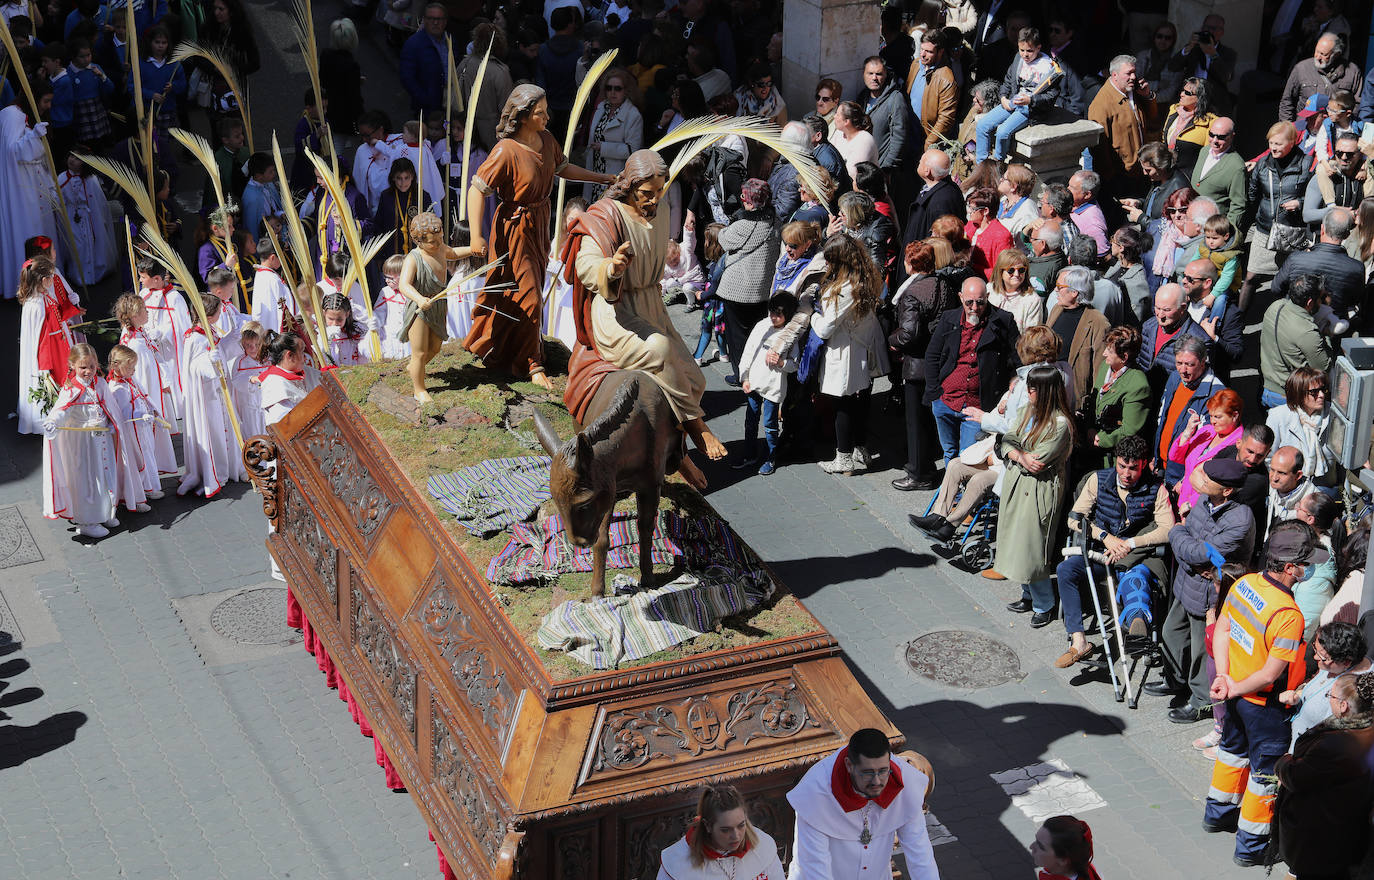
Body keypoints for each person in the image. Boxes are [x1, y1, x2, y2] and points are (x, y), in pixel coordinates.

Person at [563, 149, 727, 472]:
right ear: (629, 187)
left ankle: (674, 455)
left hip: (652, 306)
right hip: (616, 311)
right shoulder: (604, 215)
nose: (654, 201)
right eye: (646, 194)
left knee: (694, 376)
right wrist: (611, 268)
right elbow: (585, 264)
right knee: (660, 349)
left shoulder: (662, 209)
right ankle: (697, 428)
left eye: (660, 191)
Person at [465, 85, 614, 390]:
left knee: (529, 291)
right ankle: (532, 363)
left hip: (540, 222)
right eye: (539, 113)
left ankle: (507, 349)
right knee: (529, 296)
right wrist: (476, 235)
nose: (547, 117)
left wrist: (600, 178)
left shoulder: (546, 140)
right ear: (522, 116)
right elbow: (476, 189)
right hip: (514, 229)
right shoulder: (506, 150)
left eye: (546, 111)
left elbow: (561, 168)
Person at [1205, 520, 1320, 865]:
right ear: (1289, 568)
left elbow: (1223, 628)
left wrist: (1225, 680)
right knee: (1264, 775)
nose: (1308, 569)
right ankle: (1252, 848)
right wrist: (1235, 686)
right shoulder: (1289, 615)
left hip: (1236, 696)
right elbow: (1271, 673)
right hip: (1265, 705)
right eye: (1305, 563)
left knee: (1231, 753)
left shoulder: (1244, 583)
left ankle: (1218, 814)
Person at [911, 326, 1066, 543]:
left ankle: (950, 525)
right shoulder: (1032, 379)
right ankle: (938, 516)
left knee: (979, 480)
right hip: (1002, 447)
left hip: (1015, 458)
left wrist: (984, 418)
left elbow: (1018, 426)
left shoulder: (1039, 382)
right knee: (955, 465)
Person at [1148, 458, 1255, 724]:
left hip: (1209, 592)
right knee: (1170, 633)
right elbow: (1191, 546)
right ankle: (1174, 679)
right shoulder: (1205, 500)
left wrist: (1181, 538)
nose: (1201, 482)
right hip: (1187, 583)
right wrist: (1184, 543)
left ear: (1227, 491)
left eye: (1208, 480)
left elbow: (1197, 550)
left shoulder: (1240, 520)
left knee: (1200, 649)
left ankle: (1201, 702)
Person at [1056, 434, 1174, 666]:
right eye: (1122, 466)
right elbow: (1074, 519)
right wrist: (1105, 537)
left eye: (1133, 468)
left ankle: (1137, 627)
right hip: (1100, 553)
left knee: (1136, 580)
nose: (1126, 474)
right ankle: (1079, 641)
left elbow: (1168, 529)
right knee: (1065, 570)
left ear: (1145, 465)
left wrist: (1130, 544)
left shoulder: (1156, 489)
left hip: (1134, 557)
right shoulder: (1098, 480)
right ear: (1116, 461)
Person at [785, 728, 938, 879]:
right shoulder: (815, 794)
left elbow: (920, 856)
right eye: (868, 773)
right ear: (849, 765)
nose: (877, 781)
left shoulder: (905, 783)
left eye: (883, 771)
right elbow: (816, 869)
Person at [1274, 670, 1374, 880]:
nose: (1329, 700)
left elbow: (1297, 776)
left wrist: (1283, 761)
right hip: (1351, 827)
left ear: (1343, 706)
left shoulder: (1336, 744)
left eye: (1331, 696)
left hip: (1323, 832)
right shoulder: (1365, 729)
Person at [997, 364, 1075, 628]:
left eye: (1033, 388)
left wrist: (1016, 451)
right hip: (1018, 484)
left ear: (1046, 391)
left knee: (1033, 548)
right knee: (1015, 541)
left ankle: (1045, 604)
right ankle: (1027, 595)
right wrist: (1018, 453)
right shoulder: (1025, 411)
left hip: (1040, 491)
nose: (1028, 391)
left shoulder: (1061, 425)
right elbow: (1007, 440)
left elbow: (1038, 462)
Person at [811, 234, 887, 475]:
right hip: (862, 347)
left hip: (846, 351)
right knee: (861, 401)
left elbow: (825, 328)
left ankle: (843, 457)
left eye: (830, 260)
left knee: (842, 404)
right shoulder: (866, 276)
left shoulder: (845, 288)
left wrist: (810, 312)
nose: (827, 265)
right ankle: (860, 448)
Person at [923, 276, 1019, 461]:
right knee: (949, 451)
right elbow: (932, 356)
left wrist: (1013, 386)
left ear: (988, 296)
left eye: (980, 302)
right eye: (969, 302)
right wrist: (935, 393)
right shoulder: (949, 318)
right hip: (946, 400)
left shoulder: (1003, 321)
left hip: (978, 405)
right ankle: (952, 490)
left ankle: (964, 490)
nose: (974, 308)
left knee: (968, 456)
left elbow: (1017, 359)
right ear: (960, 297)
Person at [41, 344, 119, 539]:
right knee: (88, 481)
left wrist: (111, 424)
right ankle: (87, 522)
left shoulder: (100, 384)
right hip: (83, 445)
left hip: (102, 441)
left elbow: (110, 408)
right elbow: (60, 411)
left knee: (105, 476)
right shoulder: (70, 390)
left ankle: (105, 512)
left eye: (92, 366)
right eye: (83, 367)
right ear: (72, 365)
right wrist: (52, 422)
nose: (88, 371)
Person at [889, 241, 949, 491]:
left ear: (911, 263)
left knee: (915, 421)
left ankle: (918, 472)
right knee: (929, 419)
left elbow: (908, 334)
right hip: (939, 361)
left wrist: (892, 340)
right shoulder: (943, 284)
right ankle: (927, 466)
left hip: (917, 364)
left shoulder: (913, 292)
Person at [178, 292, 247, 499]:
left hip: (218, 392)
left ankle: (229, 466)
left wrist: (229, 341)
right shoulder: (196, 339)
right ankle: (215, 471)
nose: (220, 314)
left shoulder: (208, 332)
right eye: (218, 312)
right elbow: (195, 367)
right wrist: (209, 362)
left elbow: (219, 350)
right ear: (209, 316)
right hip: (208, 397)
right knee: (214, 432)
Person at [715, 179, 781, 384]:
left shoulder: (743, 225)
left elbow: (723, 238)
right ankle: (758, 371)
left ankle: (741, 375)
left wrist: (734, 220)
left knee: (737, 338)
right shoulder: (775, 223)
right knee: (758, 335)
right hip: (762, 290)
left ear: (749, 202)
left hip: (737, 291)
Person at [656, 784, 784, 880]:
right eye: (725, 830)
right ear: (708, 826)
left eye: (741, 825)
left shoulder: (764, 848)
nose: (736, 836)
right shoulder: (676, 863)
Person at [734, 292, 799, 476]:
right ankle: (750, 454)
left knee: (770, 424)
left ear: (788, 314)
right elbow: (749, 351)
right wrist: (744, 377)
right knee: (750, 420)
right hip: (754, 381)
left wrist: (780, 363)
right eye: (772, 312)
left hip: (773, 386)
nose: (773, 318)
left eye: (778, 314)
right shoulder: (762, 325)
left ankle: (770, 457)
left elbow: (795, 364)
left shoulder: (790, 336)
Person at [17, 256, 82, 436]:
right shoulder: (36, 304)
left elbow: (56, 316)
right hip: (51, 352)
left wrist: (72, 308)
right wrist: (44, 367)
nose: (54, 281)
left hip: (58, 344)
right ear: (44, 280)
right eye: (52, 277)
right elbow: (40, 339)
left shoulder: (44, 295)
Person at [976, 27, 1060, 163]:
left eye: (1029, 51)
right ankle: (982, 164)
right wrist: (1003, 97)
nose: (1025, 55)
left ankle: (998, 164)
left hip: (1029, 108)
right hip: (1013, 101)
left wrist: (1031, 100)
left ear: (1038, 48)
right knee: (982, 126)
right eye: (1022, 50)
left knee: (1003, 132)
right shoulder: (1018, 59)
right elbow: (1008, 81)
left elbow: (1051, 96)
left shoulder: (1048, 66)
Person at [1280, 621, 1370, 746]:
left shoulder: (1357, 689)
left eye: (1322, 656)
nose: (1315, 658)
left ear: (1346, 662)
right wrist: (1298, 696)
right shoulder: (1332, 665)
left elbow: (1335, 739)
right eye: (1315, 649)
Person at [106, 344, 172, 510]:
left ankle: (149, 487)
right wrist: (140, 417)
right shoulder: (116, 389)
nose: (134, 371)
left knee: (148, 458)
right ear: (117, 366)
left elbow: (142, 395)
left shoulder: (129, 381)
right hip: (131, 435)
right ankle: (137, 496)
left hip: (141, 431)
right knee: (137, 462)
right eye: (130, 367)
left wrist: (153, 411)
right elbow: (122, 416)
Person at [1273, 206, 1365, 321]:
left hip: (1297, 321)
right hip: (1335, 324)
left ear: (1322, 229)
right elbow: (1355, 300)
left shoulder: (1296, 259)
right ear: (1346, 235)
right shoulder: (1356, 268)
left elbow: (1276, 288)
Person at [1260, 276, 1336, 408]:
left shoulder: (1275, 307)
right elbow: (1323, 367)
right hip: (1289, 398)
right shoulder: (1308, 332)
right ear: (1310, 302)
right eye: (1321, 298)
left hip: (1267, 389)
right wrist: (1327, 335)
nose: (1323, 302)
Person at [114, 294, 179, 449]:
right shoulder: (134, 344)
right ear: (135, 315)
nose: (147, 311)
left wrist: (164, 380)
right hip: (148, 387)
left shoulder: (139, 333)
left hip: (156, 383)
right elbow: (142, 373)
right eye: (144, 309)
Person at [1168, 389, 1244, 514]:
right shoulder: (1207, 430)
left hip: (1202, 508)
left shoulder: (1237, 445)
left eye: (1218, 417)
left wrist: (1191, 503)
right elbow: (1176, 457)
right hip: (1183, 499)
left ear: (1235, 415)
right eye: (1211, 416)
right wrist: (1187, 433)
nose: (1213, 421)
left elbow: (1219, 486)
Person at [1083, 326, 1149, 468]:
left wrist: (1102, 440)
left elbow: (1130, 430)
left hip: (1114, 459)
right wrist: (1089, 429)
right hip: (1092, 449)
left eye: (1109, 351)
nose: (1104, 354)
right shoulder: (1106, 368)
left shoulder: (1138, 385)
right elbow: (1094, 402)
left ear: (1124, 357)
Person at [1045, 267, 1109, 405]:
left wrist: (1092, 407)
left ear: (1074, 292)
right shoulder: (1057, 309)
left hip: (1073, 399)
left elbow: (1100, 369)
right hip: (1049, 391)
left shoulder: (1098, 322)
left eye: (1059, 286)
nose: (1055, 290)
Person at [1087, 55, 1152, 193]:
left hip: (1142, 170)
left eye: (1134, 72)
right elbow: (1098, 146)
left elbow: (1152, 118)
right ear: (1114, 75)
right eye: (1128, 73)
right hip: (1122, 177)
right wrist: (1110, 175)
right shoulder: (1102, 104)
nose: (1133, 77)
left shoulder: (1134, 92)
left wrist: (1147, 96)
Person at [1267, 367, 1339, 489]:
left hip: (1324, 485)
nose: (1321, 395)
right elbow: (1269, 457)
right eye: (1314, 392)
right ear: (1298, 393)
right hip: (1289, 487)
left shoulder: (1334, 414)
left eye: (1323, 390)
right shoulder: (1278, 416)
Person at [583, 69, 645, 203]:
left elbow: (633, 151)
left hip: (616, 175)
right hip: (594, 172)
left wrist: (603, 147)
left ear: (626, 90)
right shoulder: (601, 107)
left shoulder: (633, 115)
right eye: (609, 88)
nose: (612, 92)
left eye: (617, 88)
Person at [1279, 33, 1363, 123]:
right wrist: (1287, 128)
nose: (1318, 57)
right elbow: (1287, 101)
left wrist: (1347, 126)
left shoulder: (1352, 72)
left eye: (1323, 54)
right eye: (1317, 51)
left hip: (1336, 129)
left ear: (1337, 54)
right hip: (1305, 127)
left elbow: (1358, 104)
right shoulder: (1301, 68)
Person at [906, 31, 958, 154]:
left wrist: (929, 143)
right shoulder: (916, 64)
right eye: (922, 49)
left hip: (925, 137)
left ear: (940, 52)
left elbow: (946, 118)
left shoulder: (946, 79)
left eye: (929, 51)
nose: (923, 54)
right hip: (909, 130)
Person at [1189, 117, 1245, 227]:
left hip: (1212, 228)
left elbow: (1238, 206)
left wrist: (1226, 232)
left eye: (1221, 137)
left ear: (1232, 136)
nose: (1214, 140)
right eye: (1211, 134)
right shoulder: (1204, 151)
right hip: (1193, 221)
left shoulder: (1236, 166)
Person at [858, 57, 905, 176]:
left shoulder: (895, 99)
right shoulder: (862, 97)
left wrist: (887, 167)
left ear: (885, 75)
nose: (874, 78)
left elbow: (899, 138)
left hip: (881, 169)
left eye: (879, 74)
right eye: (870, 73)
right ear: (863, 74)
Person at [1030, 815, 1103, 880]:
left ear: (1063, 860)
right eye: (1036, 840)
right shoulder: (1088, 869)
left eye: (1041, 846)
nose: (1031, 847)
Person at [986, 247, 1041, 331]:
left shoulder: (1032, 300)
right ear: (1000, 272)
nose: (1016, 274)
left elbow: (1031, 336)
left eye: (1021, 270)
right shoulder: (989, 289)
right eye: (1011, 270)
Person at [1105, 226, 1151, 323]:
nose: (1110, 242)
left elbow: (1135, 318)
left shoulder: (1137, 281)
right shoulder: (1118, 265)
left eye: (1112, 239)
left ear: (1121, 247)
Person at [830, 101, 878, 185]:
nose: (834, 117)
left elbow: (852, 174)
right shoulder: (839, 133)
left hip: (861, 191)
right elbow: (829, 154)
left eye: (837, 114)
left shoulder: (864, 140)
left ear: (846, 122)